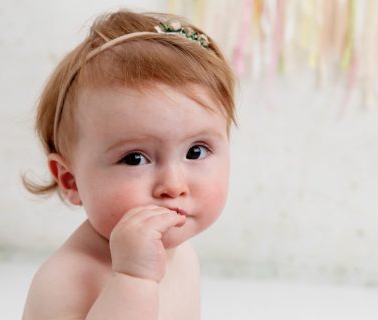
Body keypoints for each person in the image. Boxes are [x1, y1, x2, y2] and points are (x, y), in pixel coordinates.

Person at [22, 9, 235, 320]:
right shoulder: (64, 280)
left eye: (196, 151)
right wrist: (133, 281)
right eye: (135, 158)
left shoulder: (184, 257)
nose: (173, 185)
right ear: (71, 180)